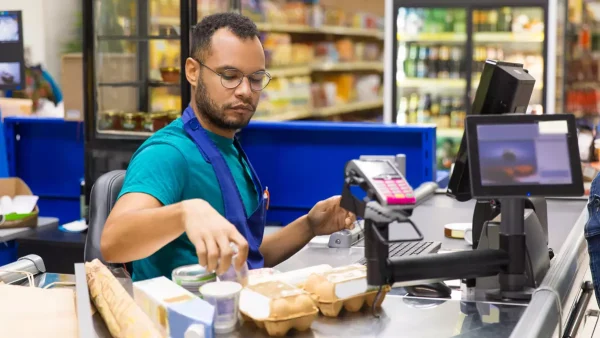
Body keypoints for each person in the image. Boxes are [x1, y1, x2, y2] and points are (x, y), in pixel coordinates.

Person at [100, 13, 355, 281]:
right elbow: (113, 241)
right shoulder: (169, 153)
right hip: (179, 320)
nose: (245, 90)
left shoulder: (229, 148)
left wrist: (310, 225)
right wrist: (185, 213)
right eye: (229, 75)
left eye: (255, 78)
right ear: (193, 72)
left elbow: (246, 258)